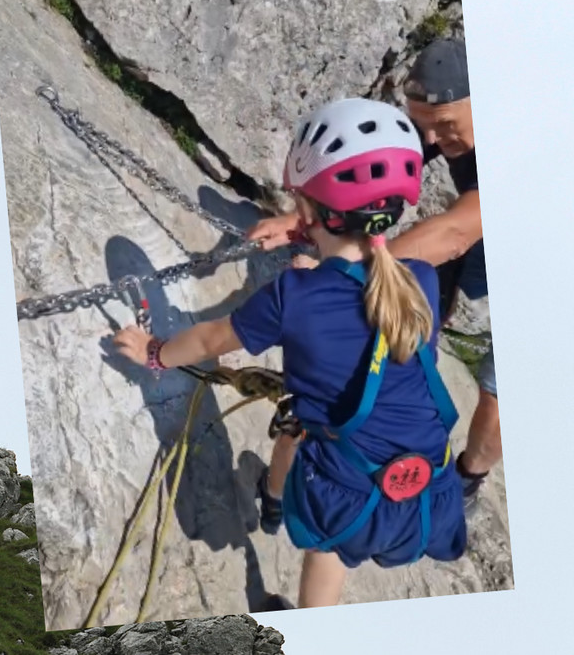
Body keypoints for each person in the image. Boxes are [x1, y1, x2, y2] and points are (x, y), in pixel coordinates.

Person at [115, 97, 465, 608]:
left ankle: (279, 513)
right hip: (425, 494)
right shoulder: (424, 282)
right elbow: (372, 337)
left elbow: (212, 341)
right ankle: (276, 504)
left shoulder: (294, 297)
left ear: (309, 209)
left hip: (346, 498)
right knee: (315, 424)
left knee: (323, 523)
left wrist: (154, 351)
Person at [247, 38, 495, 512]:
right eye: (427, 129)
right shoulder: (445, 124)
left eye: (446, 126)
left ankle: (466, 479)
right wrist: (308, 221)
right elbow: (372, 176)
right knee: (426, 286)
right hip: (485, 229)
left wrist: (342, 275)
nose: (437, 141)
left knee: (500, 399)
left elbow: (453, 233)